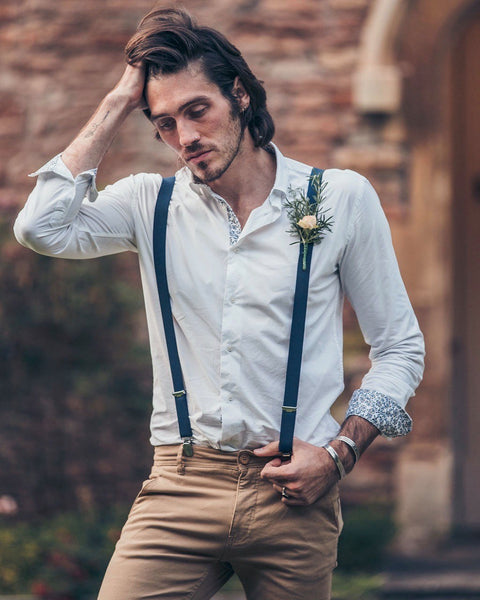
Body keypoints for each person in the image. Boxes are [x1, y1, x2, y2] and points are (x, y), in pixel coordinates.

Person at [14, 6, 424, 600]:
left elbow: (400, 348)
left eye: (196, 110)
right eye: (164, 124)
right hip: (180, 486)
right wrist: (119, 100)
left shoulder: (338, 198)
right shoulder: (148, 205)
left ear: (240, 95)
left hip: (294, 494)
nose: (185, 138)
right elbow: (40, 228)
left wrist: (337, 457)